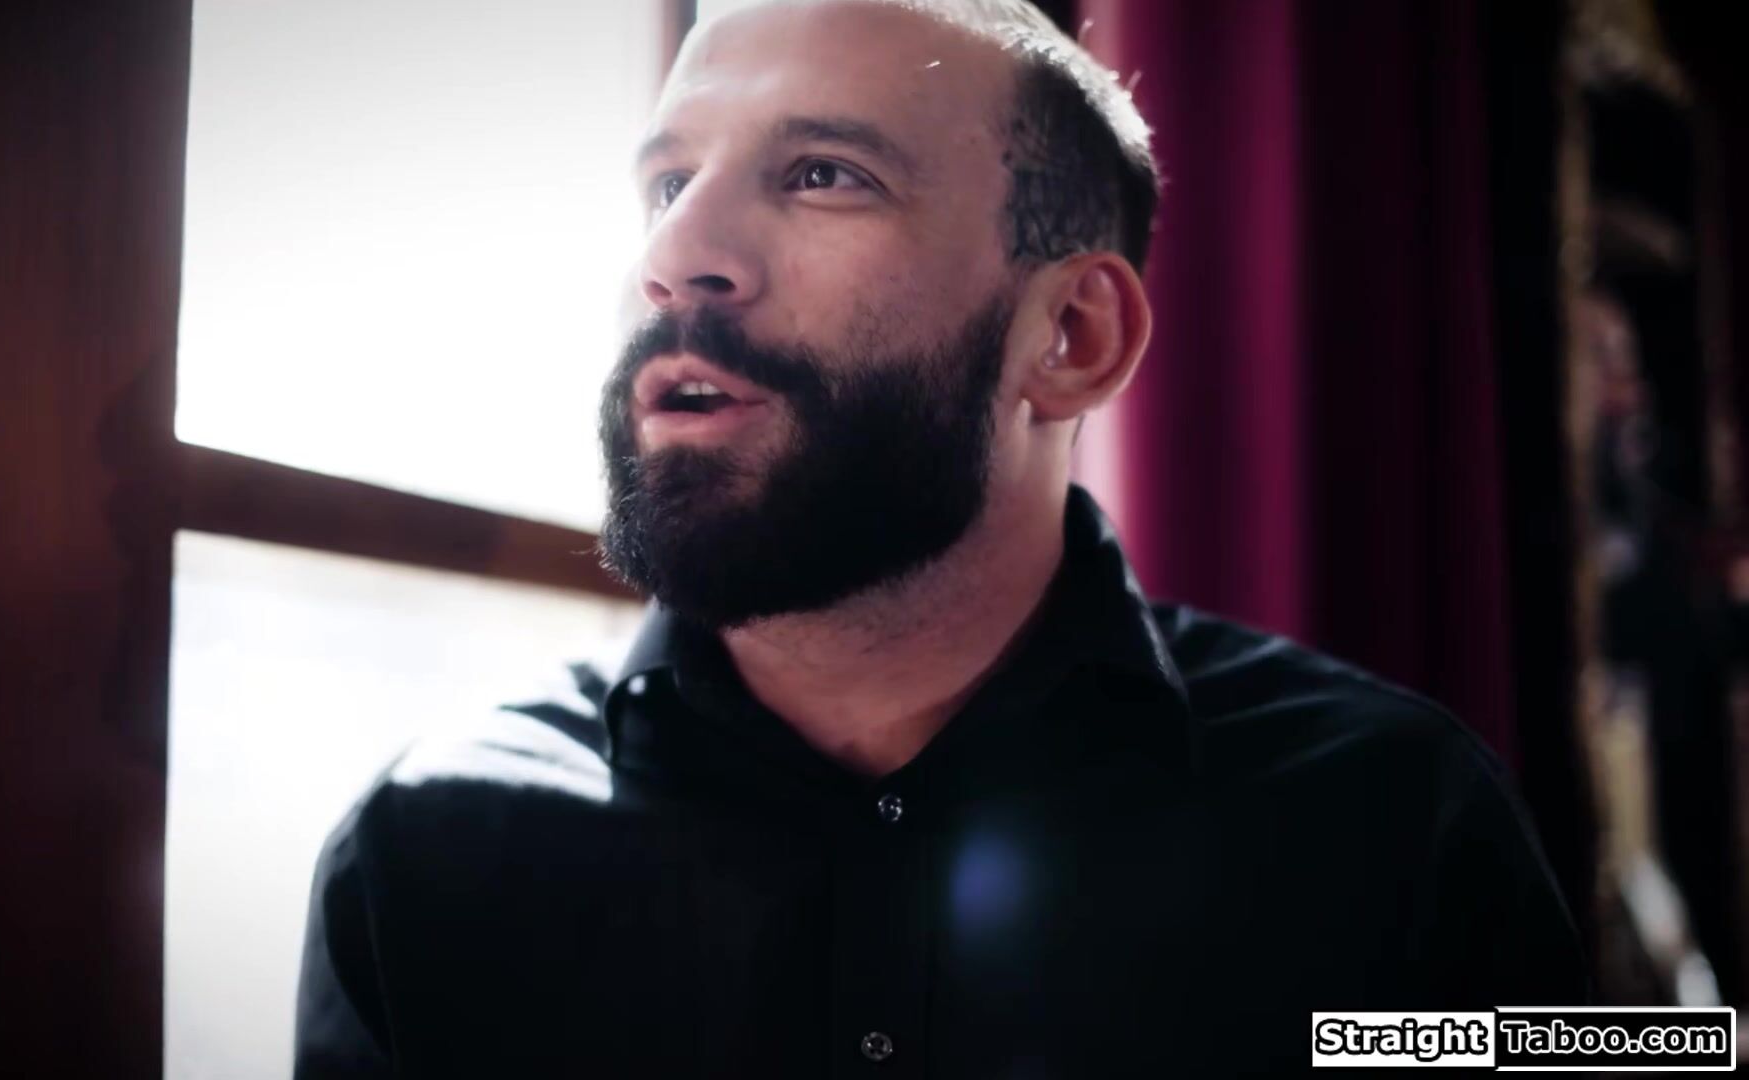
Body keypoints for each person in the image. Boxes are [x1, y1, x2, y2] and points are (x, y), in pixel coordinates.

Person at [294, 1, 1587, 1074]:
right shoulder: (424, 854)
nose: (678, 254)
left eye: (823, 175)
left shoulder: (1397, 830)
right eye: (669, 183)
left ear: (1069, 338)